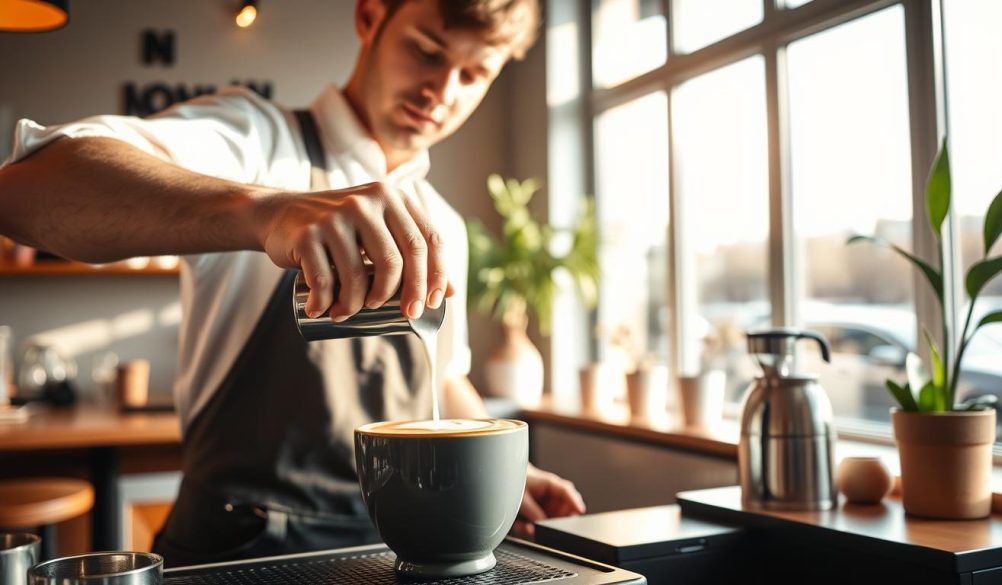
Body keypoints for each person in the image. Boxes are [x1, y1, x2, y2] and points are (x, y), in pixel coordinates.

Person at [0, 0, 584, 566]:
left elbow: (442, 376)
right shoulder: (258, 144)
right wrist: (266, 212)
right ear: (370, 16)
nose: (443, 91)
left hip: (392, 555)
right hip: (243, 553)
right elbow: (26, 192)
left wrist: (505, 467)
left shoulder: (443, 226)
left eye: (475, 73)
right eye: (426, 51)